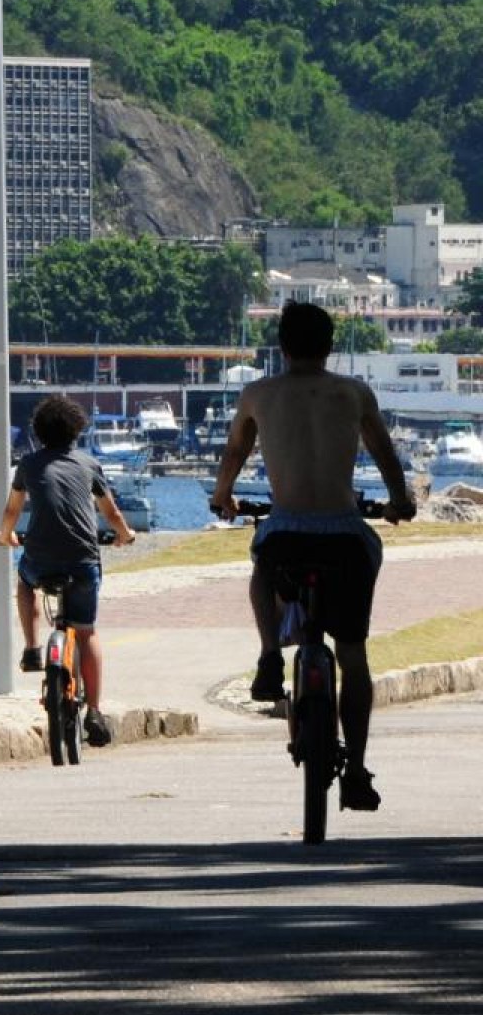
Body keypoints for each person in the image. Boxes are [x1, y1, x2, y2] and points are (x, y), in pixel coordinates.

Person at [210, 299, 414, 812]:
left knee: (261, 566)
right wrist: (401, 501)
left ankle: (268, 655)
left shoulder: (259, 394)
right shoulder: (353, 392)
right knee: (353, 654)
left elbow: (235, 450)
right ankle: (358, 768)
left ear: (282, 347)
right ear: (329, 346)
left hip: (288, 532)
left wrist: (224, 495)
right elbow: (385, 453)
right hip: (344, 533)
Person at [0, 393, 136, 748]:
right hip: (83, 560)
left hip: (40, 557)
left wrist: (5, 535)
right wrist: (125, 535)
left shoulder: (28, 465)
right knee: (86, 632)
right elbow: (112, 514)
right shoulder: (89, 465)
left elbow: (12, 509)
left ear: (38, 432)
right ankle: (96, 712)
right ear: (76, 431)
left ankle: (31, 646)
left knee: (26, 584)